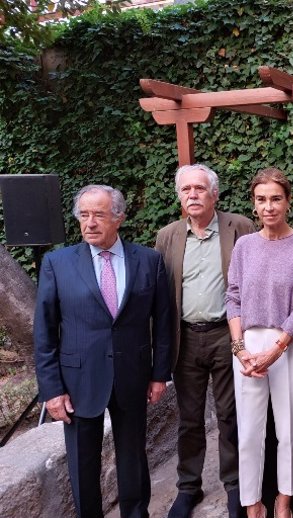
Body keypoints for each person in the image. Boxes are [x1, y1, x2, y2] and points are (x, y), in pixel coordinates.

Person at [34, 184, 172, 518]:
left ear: (119, 218)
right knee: (82, 464)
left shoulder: (149, 261)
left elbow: (164, 321)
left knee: (133, 460)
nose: (90, 223)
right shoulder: (58, 263)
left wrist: (159, 374)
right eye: (84, 215)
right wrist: (52, 391)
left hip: (132, 376)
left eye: (99, 214)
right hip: (78, 380)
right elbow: (45, 331)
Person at [155, 164, 254, 518]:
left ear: (214, 194)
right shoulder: (167, 236)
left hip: (227, 335)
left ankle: (235, 485)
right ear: (179, 196)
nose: (192, 195)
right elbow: (162, 293)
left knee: (230, 414)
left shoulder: (239, 227)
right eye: (186, 190)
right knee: (190, 418)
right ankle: (188, 487)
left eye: (200, 189)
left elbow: (252, 280)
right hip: (185, 338)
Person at [225, 167, 293, 518]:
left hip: (289, 345)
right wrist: (241, 350)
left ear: (288, 201)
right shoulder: (244, 246)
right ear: (254, 204)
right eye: (261, 199)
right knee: (248, 431)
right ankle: (252, 504)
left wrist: (276, 349)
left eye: (276, 198)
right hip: (247, 346)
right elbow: (232, 297)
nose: (269, 207)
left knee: (289, 430)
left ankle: (283, 501)